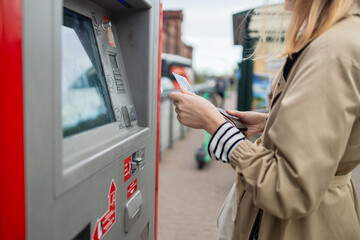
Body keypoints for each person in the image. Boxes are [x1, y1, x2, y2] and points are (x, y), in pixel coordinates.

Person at [169, 0, 360, 239]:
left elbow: (290, 188)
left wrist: (214, 124)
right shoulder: (339, 38)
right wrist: (272, 122)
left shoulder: (332, 50)